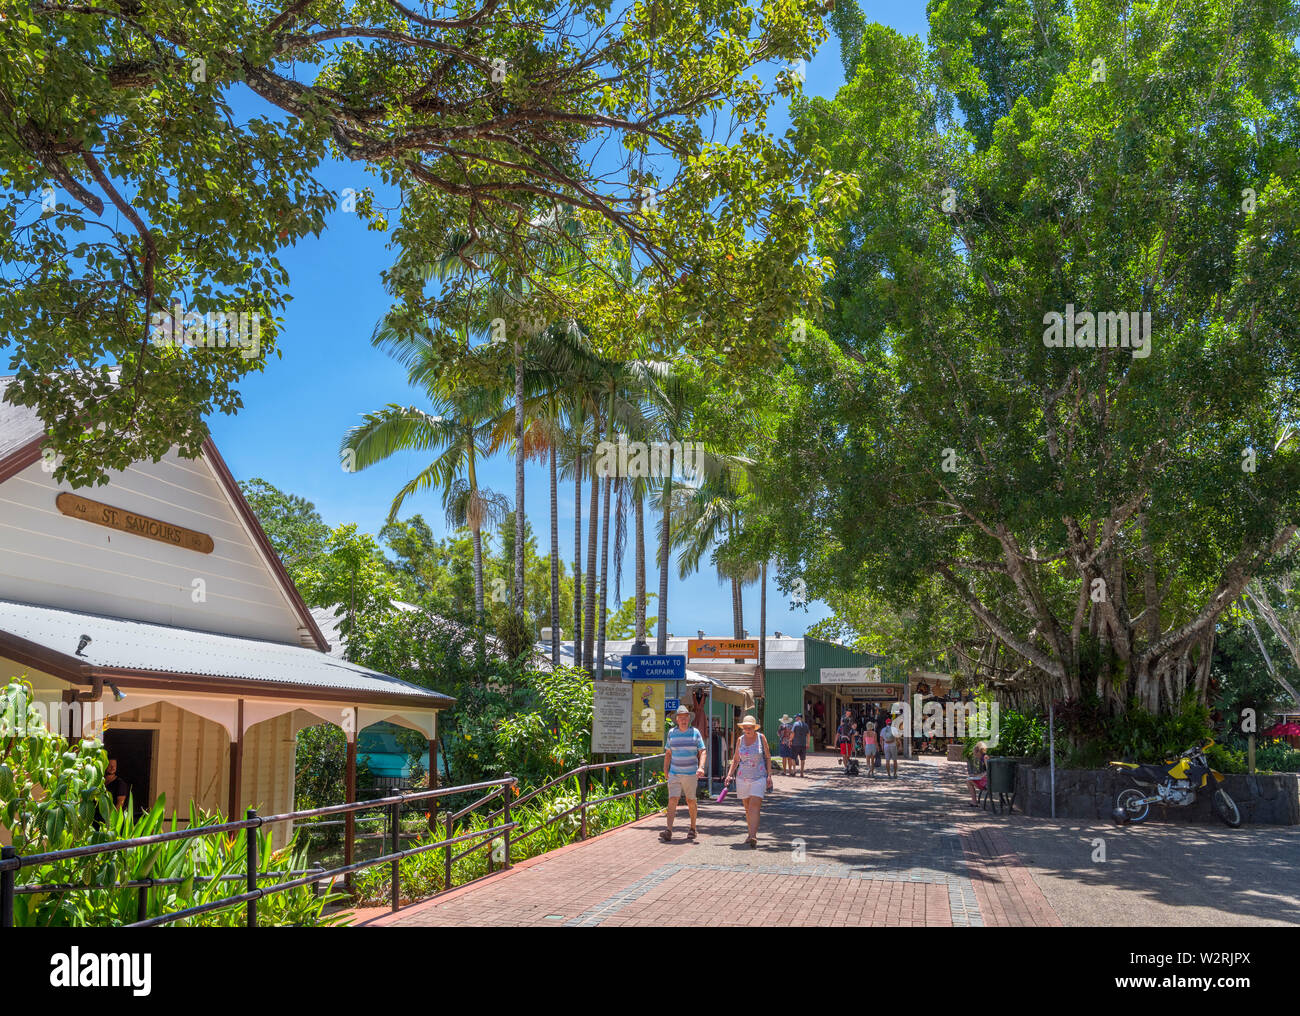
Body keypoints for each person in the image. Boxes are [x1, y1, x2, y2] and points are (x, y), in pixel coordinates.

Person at [725, 715, 773, 847]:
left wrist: (769, 775)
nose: (747, 730)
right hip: (742, 777)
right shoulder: (740, 740)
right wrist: (729, 775)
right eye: (745, 728)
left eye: (750, 728)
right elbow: (735, 760)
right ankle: (750, 833)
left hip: (759, 777)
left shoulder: (761, 738)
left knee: (754, 807)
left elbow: (768, 757)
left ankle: (753, 836)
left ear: (754, 728)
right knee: (747, 808)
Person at [661, 704, 707, 841]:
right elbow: (668, 753)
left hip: (690, 773)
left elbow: (702, 751)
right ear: (676, 719)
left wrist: (701, 766)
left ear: (689, 718)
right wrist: (665, 769)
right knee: (672, 799)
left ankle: (693, 828)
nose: (683, 720)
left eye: (685, 717)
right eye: (680, 718)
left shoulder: (695, 732)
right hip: (674, 772)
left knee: (690, 800)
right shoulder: (671, 733)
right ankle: (668, 830)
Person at [967, 742, 989, 806]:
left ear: (979, 752)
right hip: (987, 781)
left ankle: (974, 802)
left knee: (968, 781)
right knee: (969, 779)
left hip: (988, 783)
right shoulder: (983, 758)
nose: (975, 756)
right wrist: (976, 775)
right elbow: (986, 772)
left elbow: (989, 771)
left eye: (975, 754)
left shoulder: (985, 758)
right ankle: (974, 801)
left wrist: (980, 776)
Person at [879, 712, 899, 777]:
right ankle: (895, 773)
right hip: (893, 745)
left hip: (886, 745)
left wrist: (882, 746)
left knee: (887, 760)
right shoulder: (894, 729)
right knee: (894, 760)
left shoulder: (883, 730)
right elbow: (897, 737)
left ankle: (888, 774)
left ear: (886, 723)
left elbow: (881, 739)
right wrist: (900, 745)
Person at [790, 712, 810, 776]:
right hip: (803, 744)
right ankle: (802, 772)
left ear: (798, 718)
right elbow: (808, 734)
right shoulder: (806, 725)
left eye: (796, 717)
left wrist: (790, 740)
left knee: (793, 758)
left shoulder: (795, 724)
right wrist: (808, 743)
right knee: (802, 759)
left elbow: (793, 733)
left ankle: (794, 770)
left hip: (795, 744)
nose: (795, 718)